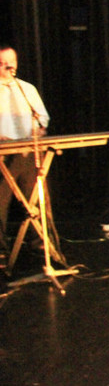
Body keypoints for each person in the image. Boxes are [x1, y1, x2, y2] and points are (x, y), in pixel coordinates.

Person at [0, 43, 50, 243]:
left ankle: (40, 241)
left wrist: (39, 129)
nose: (8, 66)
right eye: (2, 62)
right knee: (1, 200)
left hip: (28, 151)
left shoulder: (26, 88)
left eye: (11, 61)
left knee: (36, 198)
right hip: (3, 155)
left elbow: (42, 117)